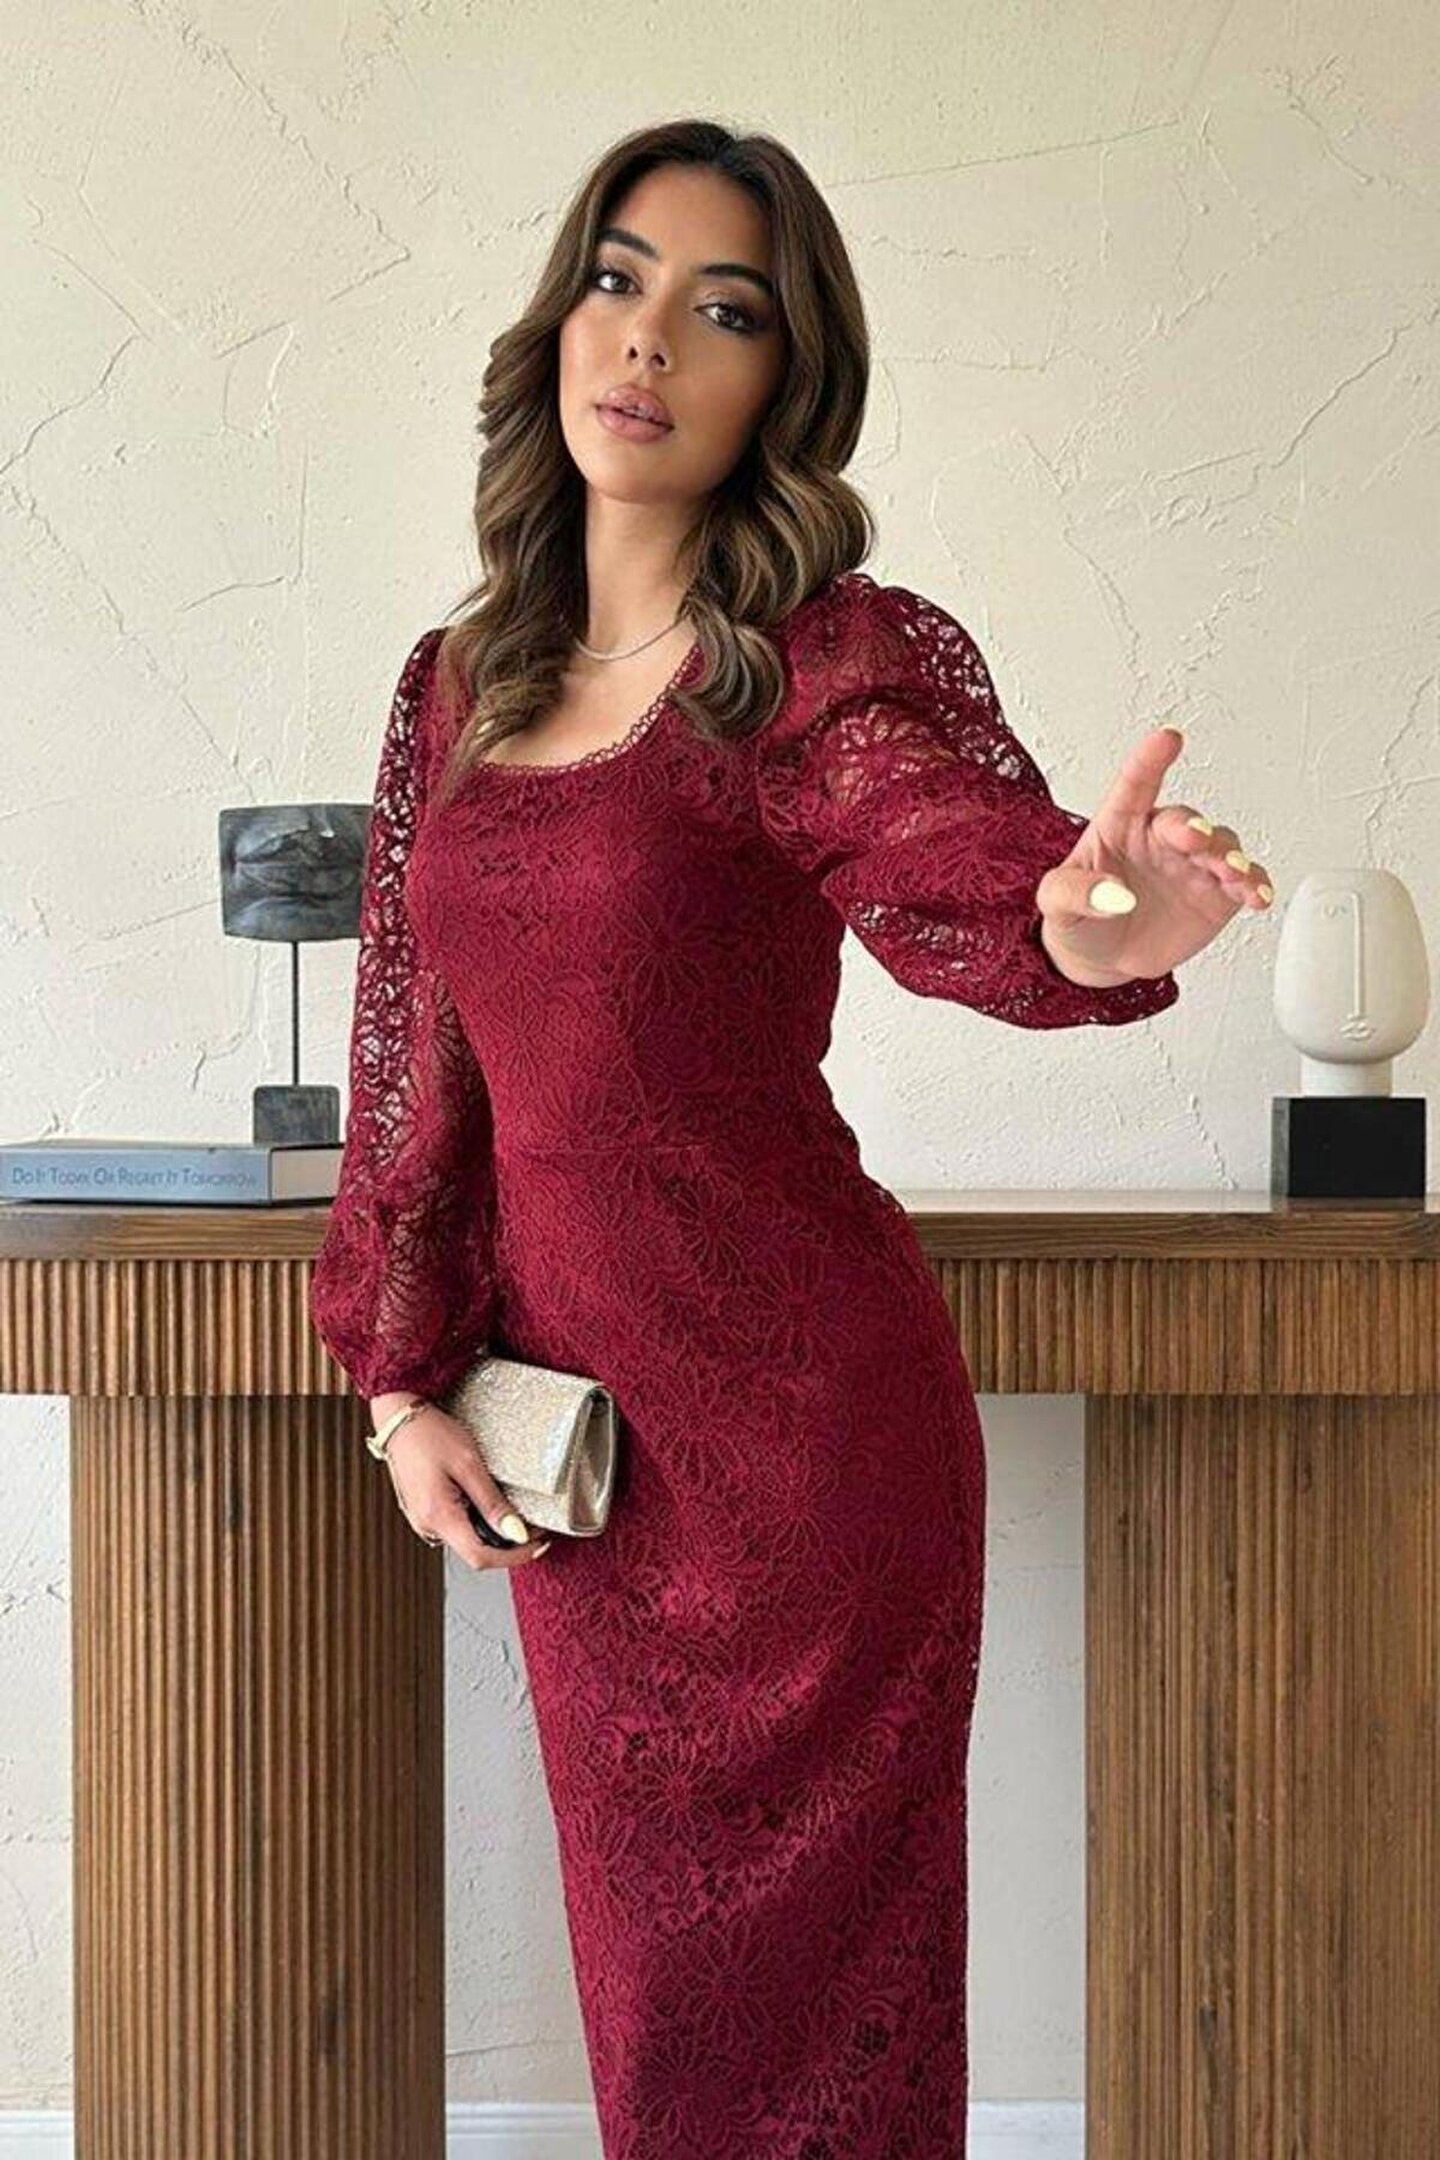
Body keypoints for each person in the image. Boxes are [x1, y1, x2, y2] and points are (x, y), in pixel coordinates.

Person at [309, 118, 1272, 2160]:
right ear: (561, 317)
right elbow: (419, 1074)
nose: (650, 337)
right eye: (619, 276)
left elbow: (970, 870)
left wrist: (1099, 920)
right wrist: (399, 1388)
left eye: (724, 310)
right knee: (663, 2031)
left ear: (785, 381)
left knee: (832, 2027)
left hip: (815, 1449)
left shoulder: (809, 665)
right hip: (598, 1473)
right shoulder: (456, 691)